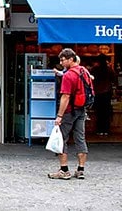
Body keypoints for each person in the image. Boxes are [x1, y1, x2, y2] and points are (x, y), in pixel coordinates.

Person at [49, 48, 88, 180]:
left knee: (61, 138)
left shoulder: (68, 75)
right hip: (82, 109)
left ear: (71, 59)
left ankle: (64, 170)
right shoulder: (84, 71)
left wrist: (59, 116)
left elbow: (65, 97)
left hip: (69, 111)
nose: (61, 62)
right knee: (80, 138)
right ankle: (81, 169)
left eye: (63, 60)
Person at [90, 55, 116, 136]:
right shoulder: (109, 69)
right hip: (107, 92)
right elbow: (113, 78)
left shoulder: (95, 69)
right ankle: (106, 129)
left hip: (97, 92)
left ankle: (99, 129)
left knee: (99, 112)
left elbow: (91, 78)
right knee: (106, 112)